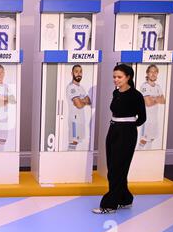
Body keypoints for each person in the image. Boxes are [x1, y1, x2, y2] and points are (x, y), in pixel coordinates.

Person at [93, 64, 146, 214]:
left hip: (126, 133)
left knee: (117, 169)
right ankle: (125, 198)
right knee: (114, 167)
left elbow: (142, 118)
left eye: (119, 77)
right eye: (114, 77)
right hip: (113, 130)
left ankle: (109, 205)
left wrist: (129, 126)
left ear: (128, 77)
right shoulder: (116, 93)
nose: (116, 80)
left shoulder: (136, 95)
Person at [138, 64, 165, 150]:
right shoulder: (145, 86)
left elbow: (163, 100)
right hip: (147, 119)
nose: (153, 74)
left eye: (155, 72)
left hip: (154, 119)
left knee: (151, 138)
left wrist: (153, 98)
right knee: (144, 139)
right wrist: (157, 98)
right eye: (151, 72)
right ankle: (138, 153)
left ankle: (147, 156)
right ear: (147, 73)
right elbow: (148, 103)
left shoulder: (158, 87)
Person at [66, 64, 91, 150]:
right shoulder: (71, 88)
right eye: (76, 72)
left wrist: (81, 100)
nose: (79, 74)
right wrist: (83, 100)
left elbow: (89, 101)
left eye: (80, 72)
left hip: (81, 120)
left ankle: (74, 160)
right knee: (74, 142)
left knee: (78, 142)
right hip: (74, 120)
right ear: (72, 73)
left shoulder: (81, 88)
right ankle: (69, 159)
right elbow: (79, 105)